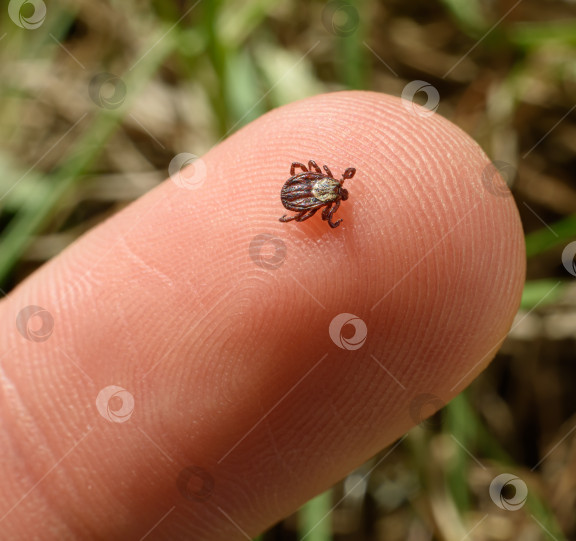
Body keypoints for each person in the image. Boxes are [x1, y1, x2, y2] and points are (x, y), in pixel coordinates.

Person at [0, 91, 524, 539]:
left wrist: (321, 204)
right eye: (333, 193)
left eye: (333, 195)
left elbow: (297, 201)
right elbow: (295, 206)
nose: (334, 195)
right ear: (327, 194)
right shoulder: (318, 202)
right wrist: (323, 213)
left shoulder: (316, 196)